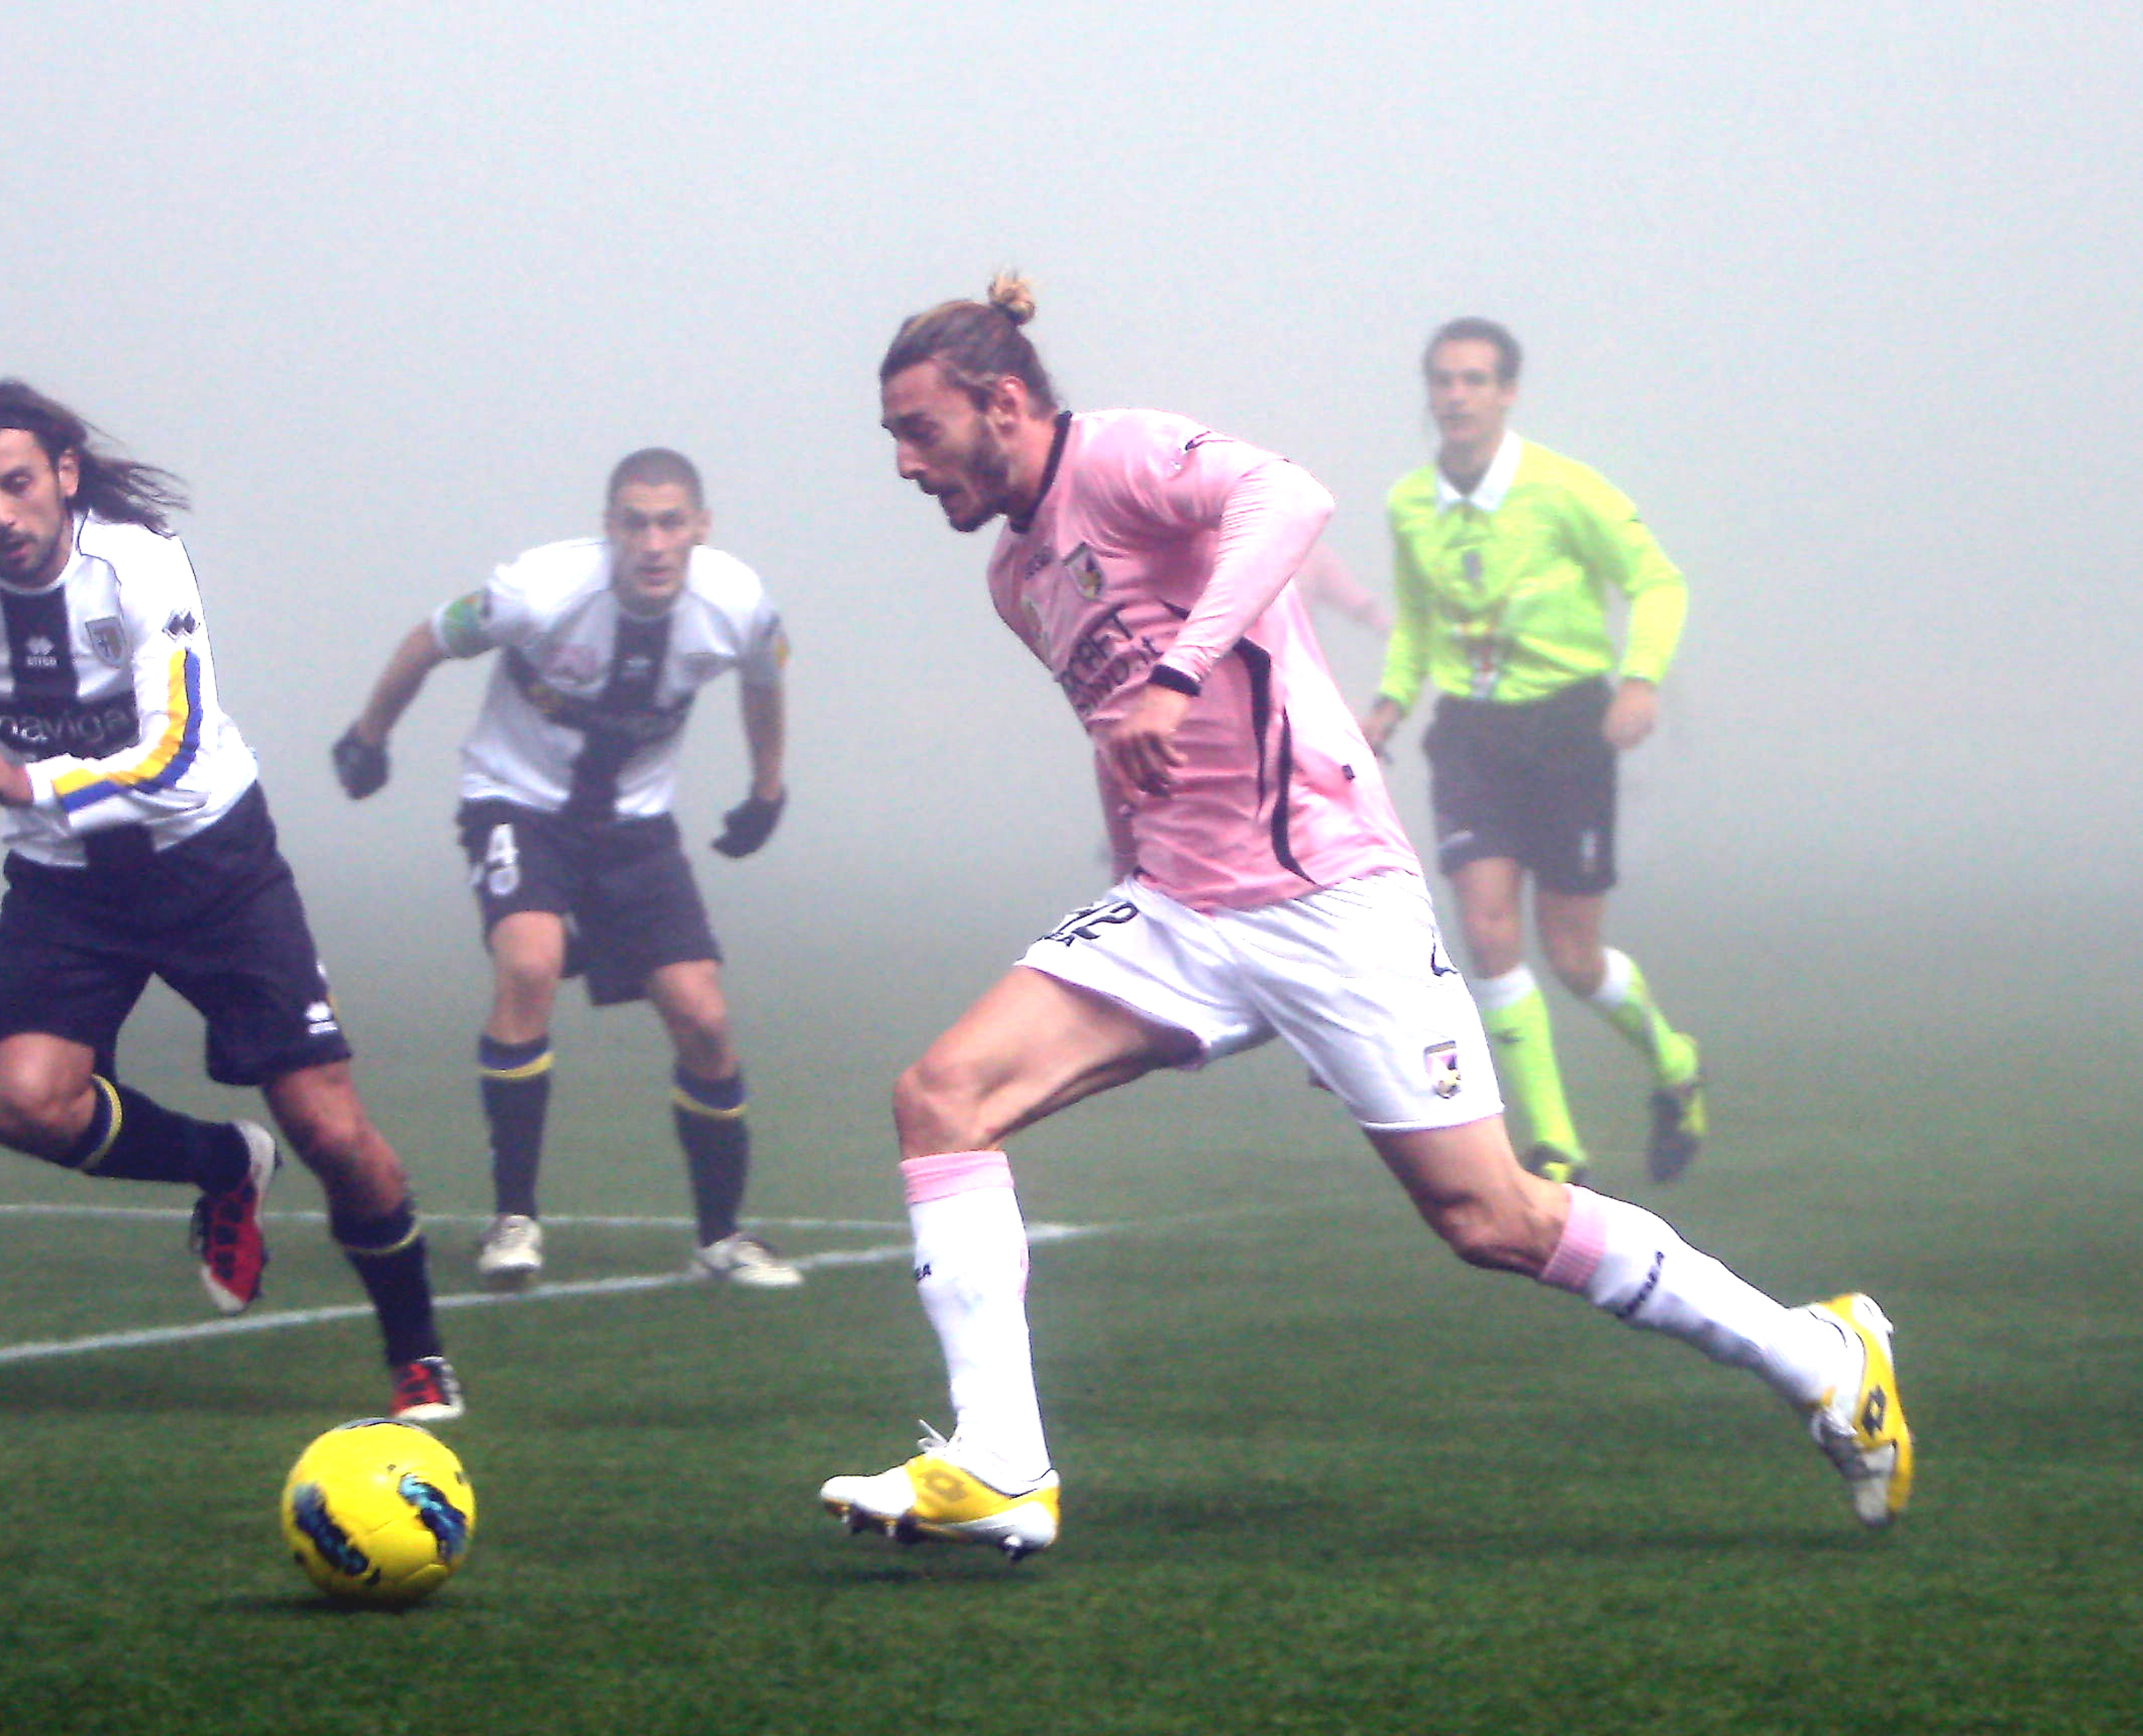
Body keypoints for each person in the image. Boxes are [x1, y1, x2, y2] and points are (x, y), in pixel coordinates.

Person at [818, 277, 1908, 1561]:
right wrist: (1131, 840)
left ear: (1003, 402)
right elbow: (1123, 736)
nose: (904, 463)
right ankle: (1001, 1461)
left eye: (920, 430)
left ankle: (1819, 1358)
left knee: (1492, 1218)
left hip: (1326, 895)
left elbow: (1291, 499)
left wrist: (1177, 674)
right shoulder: (1017, 575)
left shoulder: (1118, 456)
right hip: (1177, 910)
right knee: (942, 1095)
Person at [0, 379, 462, 1423]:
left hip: (209, 865)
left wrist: (25, 780)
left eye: (17, 484)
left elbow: (176, 760)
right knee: (20, 1101)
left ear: (64, 473)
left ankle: (417, 1355)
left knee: (329, 1130)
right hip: (65, 880)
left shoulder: (141, 567)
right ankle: (223, 1163)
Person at [331, 449, 802, 1292]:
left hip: (635, 828)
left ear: (700, 526)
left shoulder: (737, 603)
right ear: (608, 527)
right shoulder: (537, 591)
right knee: (530, 963)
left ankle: (721, 1238)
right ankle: (513, 1222)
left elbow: (763, 680)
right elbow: (430, 639)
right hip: (517, 803)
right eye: (634, 523)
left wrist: (767, 790)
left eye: (670, 523)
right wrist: (369, 737)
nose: (652, 543)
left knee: (703, 1017)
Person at [1361, 319, 1705, 1186]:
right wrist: (1390, 704)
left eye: (1474, 380)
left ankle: (1673, 1061)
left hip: (1566, 729)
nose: (1456, 396)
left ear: (1507, 392)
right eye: (1443, 379)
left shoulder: (1562, 489)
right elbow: (1415, 620)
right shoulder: (1409, 503)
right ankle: (1556, 1147)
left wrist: (1640, 681)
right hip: (1470, 736)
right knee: (1484, 930)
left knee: (1573, 957)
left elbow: (1657, 581)